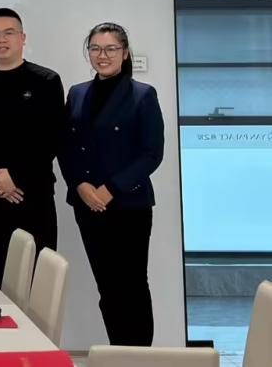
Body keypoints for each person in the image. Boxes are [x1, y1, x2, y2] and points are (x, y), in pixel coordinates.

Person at [60, 22, 164, 346]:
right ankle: (118, 352)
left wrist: (110, 189)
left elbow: (152, 153)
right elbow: (66, 146)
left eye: (110, 49)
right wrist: (79, 184)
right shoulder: (77, 93)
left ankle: (139, 357)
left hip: (128, 206)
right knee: (107, 287)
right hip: (87, 205)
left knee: (132, 286)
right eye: (95, 48)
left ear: (125, 53)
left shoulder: (143, 94)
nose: (102, 55)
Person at [0, 8, 65, 287]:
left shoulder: (46, 81)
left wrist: (15, 176)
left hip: (32, 196)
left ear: (22, 38)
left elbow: (50, 138)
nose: (1, 40)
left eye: (9, 33)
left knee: (35, 285)